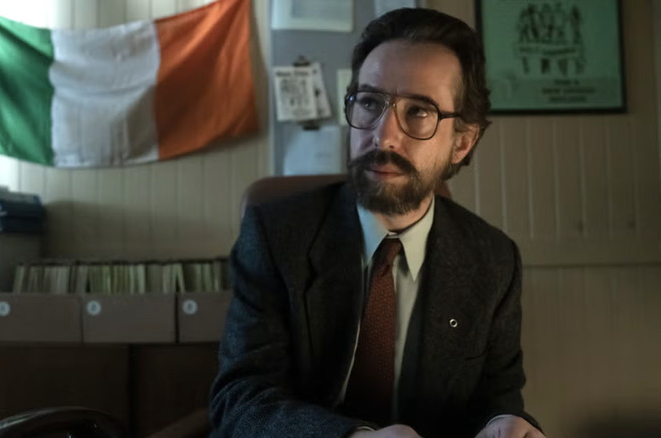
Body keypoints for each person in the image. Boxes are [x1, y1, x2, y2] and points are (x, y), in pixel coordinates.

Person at [210, 8, 546, 438]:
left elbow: (497, 400)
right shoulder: (275, 236)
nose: (383, 135)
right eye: (370, 103)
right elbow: (240, 401)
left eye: (419, 112)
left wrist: (505, 424)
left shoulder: (494, 261)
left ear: (462, 143)